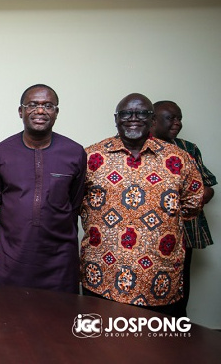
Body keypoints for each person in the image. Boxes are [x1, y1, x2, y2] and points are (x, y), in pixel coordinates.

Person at [80, 93, 203, 317]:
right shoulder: (91, 157)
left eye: (142, 113)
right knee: (99, 345)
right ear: (116, 118)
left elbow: (193, 204)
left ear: (152, 119)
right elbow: (73, 201)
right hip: (102, 274)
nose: (133, 118)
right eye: (126, 113)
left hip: (159, 276)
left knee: (158, 347)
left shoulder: (179, 159)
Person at [0, 84, 87, 293]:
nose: (40, 111)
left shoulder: (75, 153)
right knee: (8, 321)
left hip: (59, 263)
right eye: (32, 105)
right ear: (21, 111)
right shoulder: (0, 153)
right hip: (11, 260)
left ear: (56, 112)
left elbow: (74, 207)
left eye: (48, 105)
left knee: (58, 322)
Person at [152, 100, 216, 315]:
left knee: (179, 283)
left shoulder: (188, 149)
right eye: (171, 118)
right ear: (153, 119)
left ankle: (177, 334)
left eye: (180, 118)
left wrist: (194, 195)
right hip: (149, 232)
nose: (177, 123)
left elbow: (208, 188)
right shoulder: (140, 147)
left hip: (184, 229)